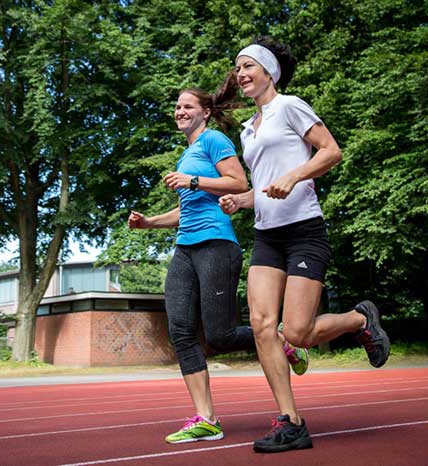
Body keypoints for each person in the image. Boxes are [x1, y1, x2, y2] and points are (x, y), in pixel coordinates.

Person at [218, 36, 391, 453]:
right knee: (262, 326)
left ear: (268, 72)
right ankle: (291, 422)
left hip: (303, 230)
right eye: (237, 69)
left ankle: (359, 321)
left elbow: (331, 151)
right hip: (267, 235)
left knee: (295, 332)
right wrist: (243, 200)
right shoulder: (248, 130)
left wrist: (295, 176)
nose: (241, 74)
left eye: (248, 67)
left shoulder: (290, 106)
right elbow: (265, 184)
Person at [128, 87, 308, 444]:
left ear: (205, 112)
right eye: (177, 106)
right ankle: (206, 418)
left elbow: (239, 183)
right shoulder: (186, 154)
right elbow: (187, 212)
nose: (180, 111)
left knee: (220, 335)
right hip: (185, 248)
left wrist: (193, 180)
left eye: (187, 106)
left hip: (217, 245)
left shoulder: (213, 141)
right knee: (180, 330)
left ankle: (282, 339)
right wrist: (149, 222)